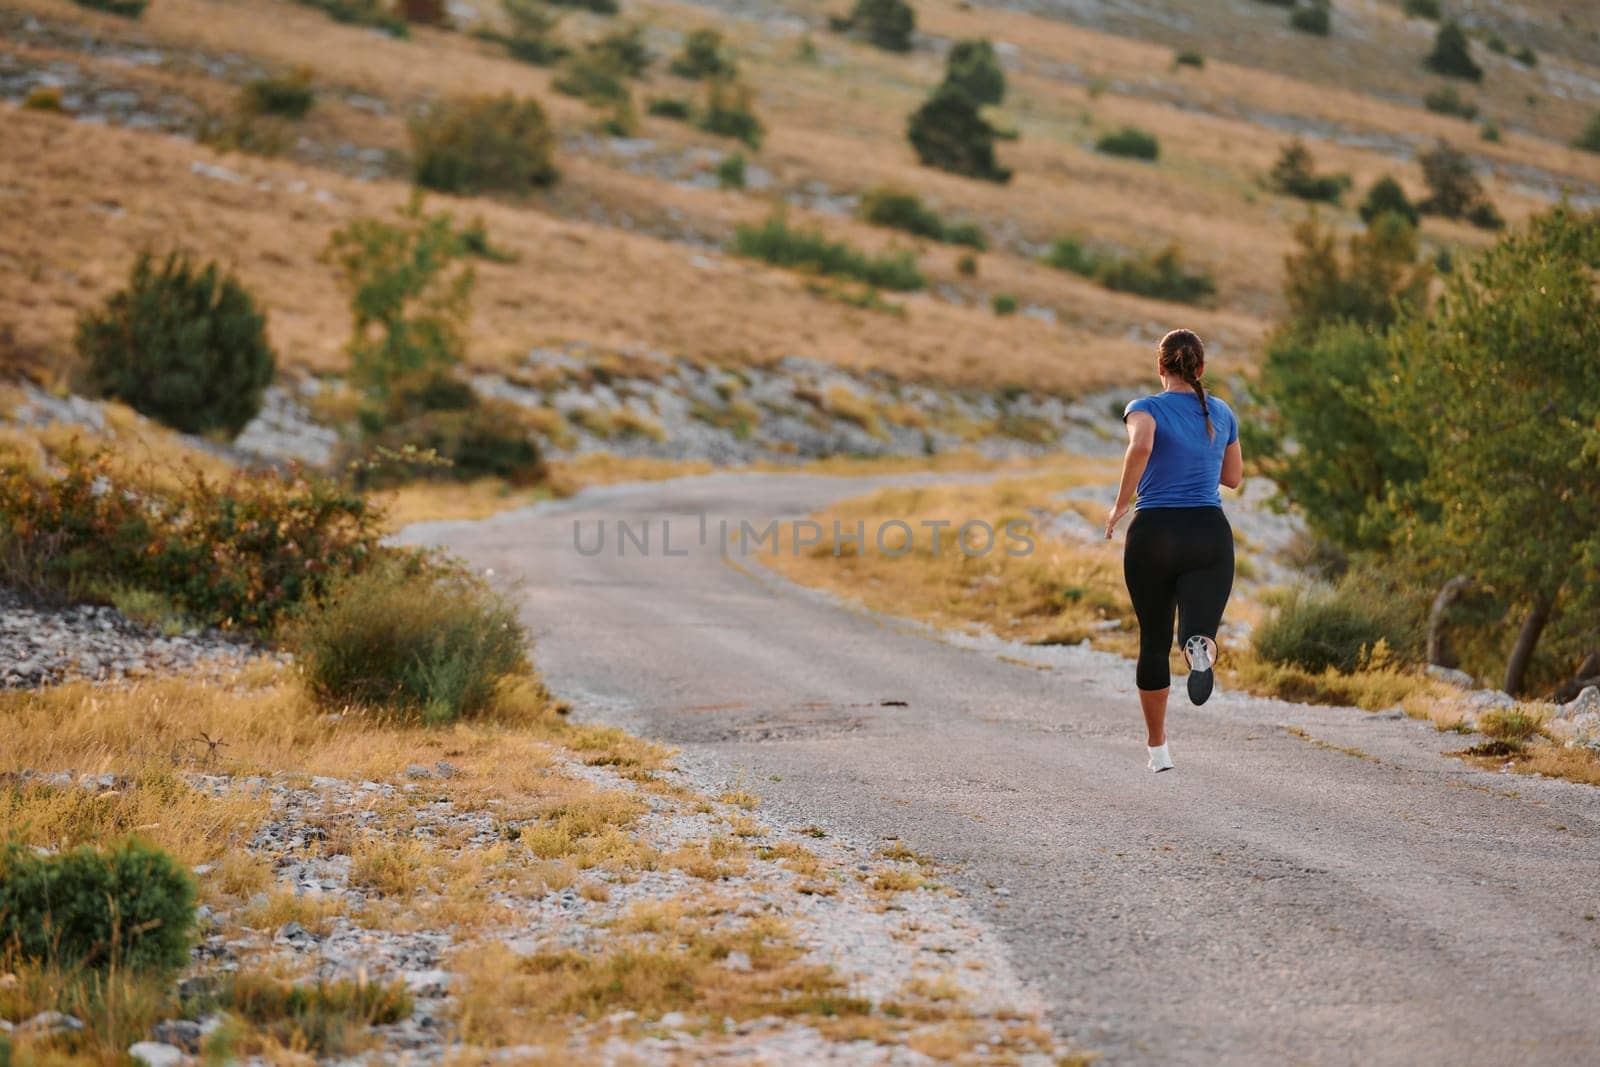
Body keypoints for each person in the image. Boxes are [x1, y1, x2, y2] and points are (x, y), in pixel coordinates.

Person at [1104, 329, 1243, 773]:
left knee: (1153, 639)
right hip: (1207, 532)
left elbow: (1141, 444)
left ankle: (1158, 749)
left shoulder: (1143, 408)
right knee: (1196, 629)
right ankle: (1199, 646)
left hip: (1154, 532)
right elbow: (1234, 478)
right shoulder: (1221, 412)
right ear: (1201, 369)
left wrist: (1120, 504)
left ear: (1160, 367)